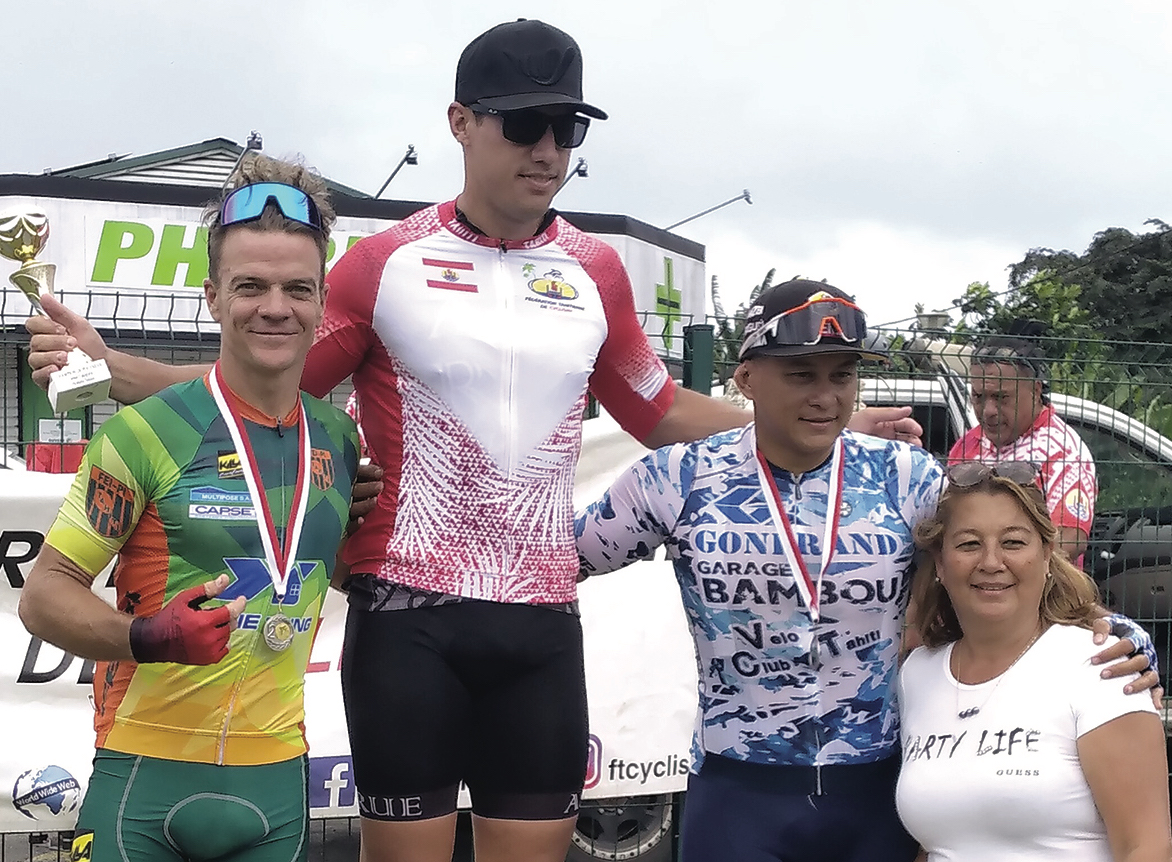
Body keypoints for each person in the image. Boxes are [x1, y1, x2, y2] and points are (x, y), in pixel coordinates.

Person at [23, 22, 925, 862]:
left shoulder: (596, 269)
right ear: (460, 122)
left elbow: (655, 410)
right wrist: (109, 366)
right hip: (407, 619)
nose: (548, 152)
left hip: (539, 622)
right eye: (526, 125)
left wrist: (810, 417)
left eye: (568, 130)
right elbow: (262, 382)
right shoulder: (385, 263)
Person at [574, 279, 1158, 862]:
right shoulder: (677, 478)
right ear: (747, 377)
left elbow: (1005, 561)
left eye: (842, 376)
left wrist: (1109, 630)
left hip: (874, 789)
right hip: (737, 791)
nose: (825, 397)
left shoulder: (903, 474)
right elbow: (551, 564)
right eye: (802, 374)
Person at [17, 156, 360, 862]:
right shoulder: (143, 432)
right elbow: (43, 597)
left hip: (278, 789)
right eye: (250, 286)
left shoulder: (339, 442)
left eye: (298, 287)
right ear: (211, 296)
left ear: (323, 303)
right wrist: (147, 636)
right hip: (143, 783)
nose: (275, 306)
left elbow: (339, 570)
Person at [897, 462, 1172, 861]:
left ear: (1047, 555)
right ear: (940, 563)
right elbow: (941, 839)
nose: (991, 562)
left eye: (1012, 542)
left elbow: (1146, 847)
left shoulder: (1102, 668)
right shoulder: (918, 674)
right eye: (969, 544)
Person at [949, 335, 1097, 563]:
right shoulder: (969, 443)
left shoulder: (1061, 451)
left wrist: (1007, 570)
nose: (988, 410)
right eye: (978, 397)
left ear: (1035, 391)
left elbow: (1070, 537)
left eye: (1001, 397)